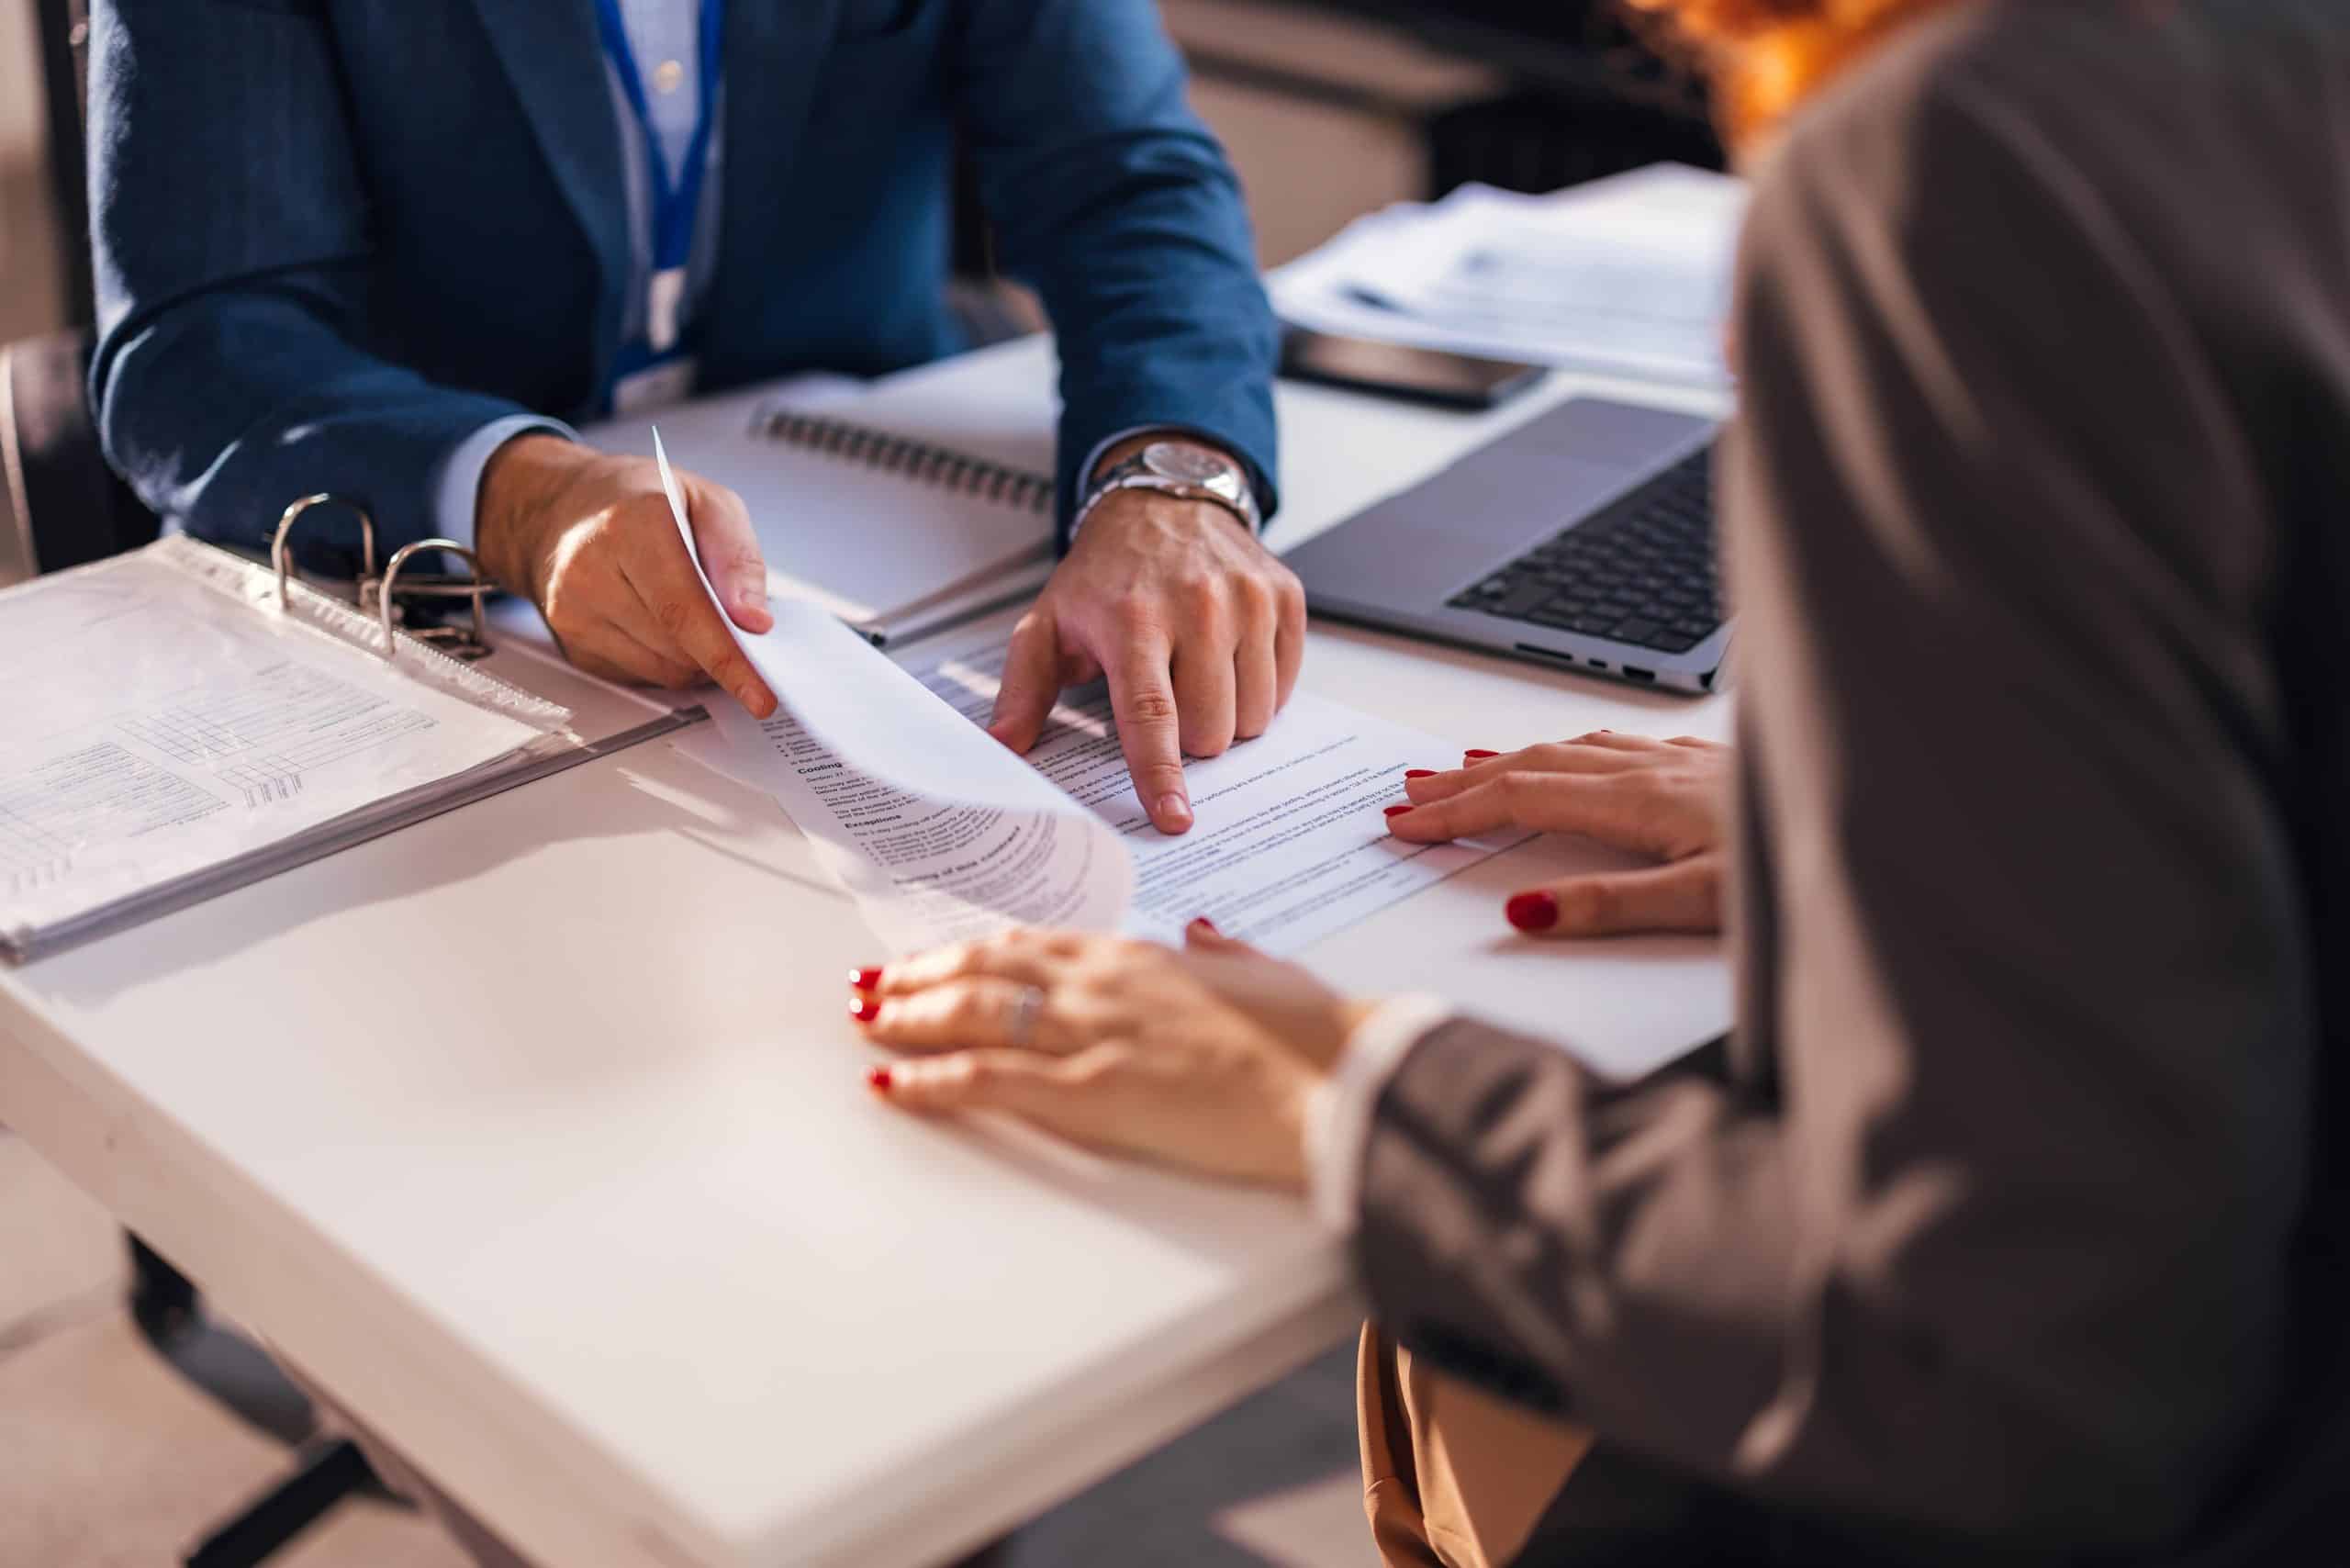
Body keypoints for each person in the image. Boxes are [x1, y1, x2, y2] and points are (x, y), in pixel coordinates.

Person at [850, 0, 2350, 1562]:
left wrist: (1345, 1090)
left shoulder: (1962, 162)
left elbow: (2006, 1357)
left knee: (1460, 1398)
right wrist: (1912, 821)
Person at [85, 0, 1302, 834]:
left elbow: (1129, 183)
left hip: (895, 588)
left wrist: (1172, 476)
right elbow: (206, 342)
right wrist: (525, 500)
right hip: (418, 620)